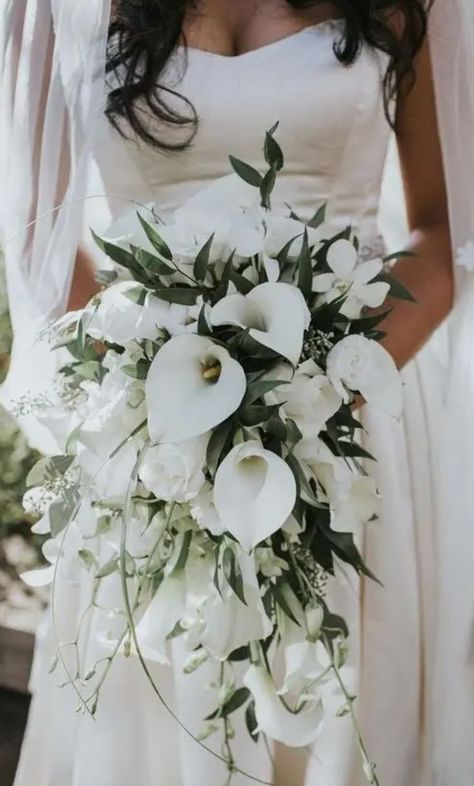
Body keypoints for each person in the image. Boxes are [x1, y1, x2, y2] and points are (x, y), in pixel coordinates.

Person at [1, 1, 474, 785]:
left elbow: (443, 232)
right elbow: (37, 232)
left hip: (352, 429)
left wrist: (318, 396)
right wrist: (149, 396)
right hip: (154, 435)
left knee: (347, 702)